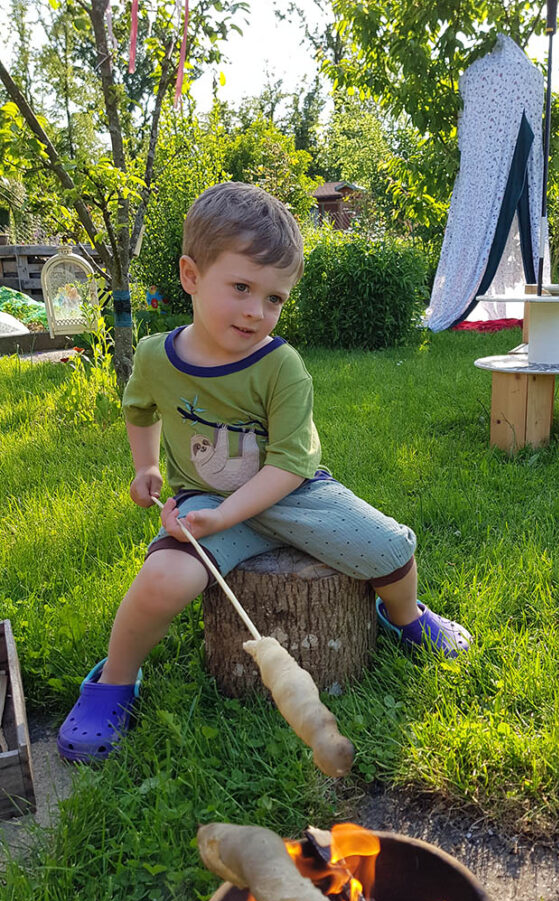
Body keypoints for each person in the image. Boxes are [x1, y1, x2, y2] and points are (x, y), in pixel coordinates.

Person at [57, 182, 471, 763]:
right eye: (242, 287)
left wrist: (228, 513)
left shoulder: (282, 366)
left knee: (392, 550)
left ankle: (404, 617)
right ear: (191, 275)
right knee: (162, 581)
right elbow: (138, 408)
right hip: (206, 497)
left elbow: (289, 462)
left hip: (294, 495)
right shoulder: (154, 357)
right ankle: (115, 682)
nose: (257, 311)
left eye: (274, 298)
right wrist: (146, 466)